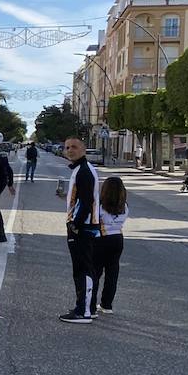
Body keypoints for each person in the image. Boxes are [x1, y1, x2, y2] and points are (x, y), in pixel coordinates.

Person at [60, 137, 101, 323]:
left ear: (83, 150)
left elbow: (87, 201)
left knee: (82, 269)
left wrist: (75, 224)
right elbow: (80, 199)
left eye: (74, 147)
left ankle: (82, 311)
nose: (70, 150)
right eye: (67, 147)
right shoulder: (80, 169)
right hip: (84, 225)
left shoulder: (84, 171)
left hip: (83, 227)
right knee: (86, 268)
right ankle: (88, 308)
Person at [91, 176, 128, 315]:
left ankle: (91, 305)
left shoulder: (99, 205)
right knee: (112, 273)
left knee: (95, 271)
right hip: (117, 238)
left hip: (101, 238)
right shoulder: (124, 206)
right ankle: (107, 304)